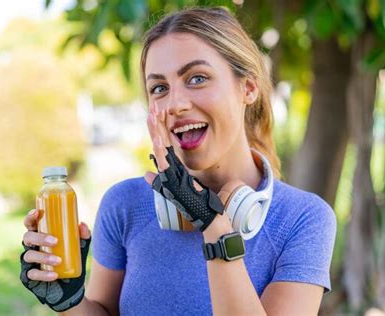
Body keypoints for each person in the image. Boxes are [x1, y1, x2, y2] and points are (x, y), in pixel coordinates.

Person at [20, 7, 336, 315]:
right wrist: (71, 303)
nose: (175, 104)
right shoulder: (124, 204)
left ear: (248, 87)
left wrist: (214, 228)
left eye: (197, 78)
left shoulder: (303, 219)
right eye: (159, 88)